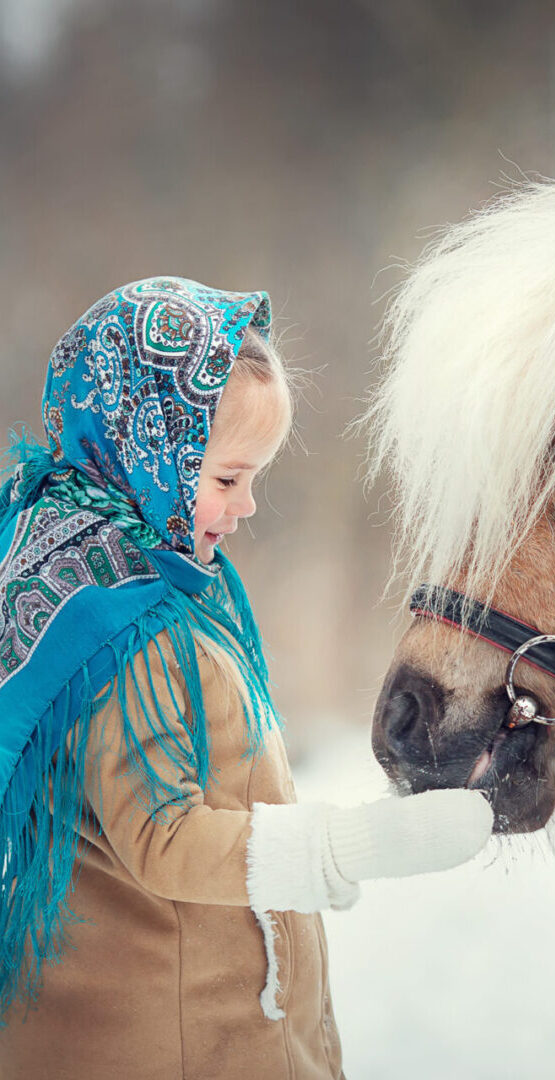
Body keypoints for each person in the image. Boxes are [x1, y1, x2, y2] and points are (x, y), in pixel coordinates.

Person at [0, 277, 492, 1079]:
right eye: (228, 478)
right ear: (146, 449)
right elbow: (164, 836)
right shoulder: (125, 624)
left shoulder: (118, 571)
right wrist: (348, 846)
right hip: (171, 1040)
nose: (248, 504)